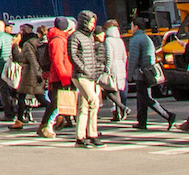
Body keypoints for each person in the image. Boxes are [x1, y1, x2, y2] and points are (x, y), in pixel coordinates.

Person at [66, 10, 107, 147]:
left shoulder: (89, 37)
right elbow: (72, 55)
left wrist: (95, 71)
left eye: (94, 23)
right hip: (81, 76)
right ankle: (92, 134)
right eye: (91, 22)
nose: (92, 25)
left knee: (84, 106)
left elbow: (93, 57)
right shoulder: (75, 36)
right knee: (93, 101)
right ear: (84, 22)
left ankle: (80, 137)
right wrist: (84, 68)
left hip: (89, 76)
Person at [128, 19, 173, 129]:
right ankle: (142, 121)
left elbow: (133, 59)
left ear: (136, 26)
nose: (131, 28)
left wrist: (129, 75)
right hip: (148, 72)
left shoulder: (136, 39)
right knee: (142, 98)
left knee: (146, 98)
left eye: (132, 25)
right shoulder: (146, 38)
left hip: (141, 73)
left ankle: (168, 115)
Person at [36, 18, 74, 138]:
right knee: (57, 103)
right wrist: (65, 78)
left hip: (60, 75)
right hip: (60, 76)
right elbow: (58, 61)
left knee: (56, 103)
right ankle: (46, 126)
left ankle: (44, 126)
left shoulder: (58, 38)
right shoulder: (58, 40)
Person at [103, 21, 128, 124]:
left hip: (113, 67)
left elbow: (109, 56)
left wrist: (107, 69)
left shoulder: (108, 40)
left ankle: (118, 112)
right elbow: (124, 56)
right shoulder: (120, 40)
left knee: (111, 90)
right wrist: (123, 65)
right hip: (121, 66)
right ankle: (122, 111)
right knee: (119, 90)